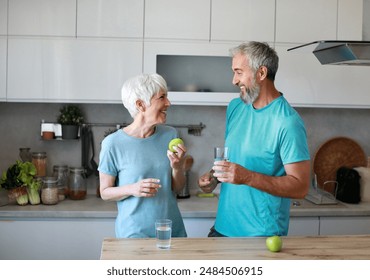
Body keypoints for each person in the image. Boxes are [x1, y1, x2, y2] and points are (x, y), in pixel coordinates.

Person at [198, 41, 311, 237]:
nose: (234, 80)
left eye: (239, 72)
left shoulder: (287, 122)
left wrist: (247, 177)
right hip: (222, 228)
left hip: (260, 236)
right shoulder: (235, 107)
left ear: (261, 74)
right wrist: (214, 178)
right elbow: (233, 161)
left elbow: (300, 187)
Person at [98, 73, 187, 238]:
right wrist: (132, 189)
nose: (168, 103)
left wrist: (178, 167)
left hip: (171, 231)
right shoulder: (113, 143)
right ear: (140, 104)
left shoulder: (171, 135)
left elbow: (177, 188)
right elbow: (104, 192)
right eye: (162, 97)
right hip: (134, 234)